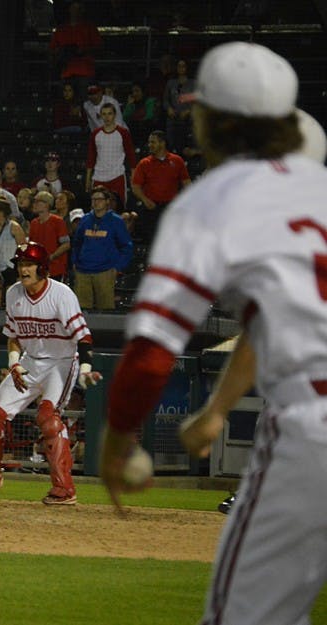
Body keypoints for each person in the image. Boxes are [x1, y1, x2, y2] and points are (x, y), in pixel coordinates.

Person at [100, 41, 327, 625]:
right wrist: (219, 410)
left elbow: (151, 354)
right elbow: (275, 318)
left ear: (214, 120)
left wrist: (117, 442)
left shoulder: (212, 202)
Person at [0, 242, 101, 504]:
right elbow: (13, 337)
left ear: (42, 268)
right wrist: (14, 362)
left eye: (28, 264)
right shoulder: (13, 293)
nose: (23, 269)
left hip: (61, 361)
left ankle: (65, 489)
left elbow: (83, 337)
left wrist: (85, 367)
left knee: (49, 418)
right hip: (30, 361)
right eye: (20, 264)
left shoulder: (61, 295)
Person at [70, 186, 133, 309]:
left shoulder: (116, 221)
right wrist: (75, 261)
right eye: (93, 199)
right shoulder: (85, 220)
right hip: (83, 271)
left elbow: (126, 246)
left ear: (107, 201)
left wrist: (117, 267)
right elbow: (77, 243)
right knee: (82, 310)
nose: (96, 202)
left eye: (99, 199)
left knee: (105, 309)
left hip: (105, 271)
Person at [129, 130, 191, 241]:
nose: (150, 145)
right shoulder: (144, 163)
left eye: (153, 142)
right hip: (151, 207)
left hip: (171, 207)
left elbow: (186, 183)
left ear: (162, 143)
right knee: (153, 240)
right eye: (149, 142)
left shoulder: (177, 161)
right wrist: (145, 200)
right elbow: (135, 186)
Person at [85, 102, 136, 206]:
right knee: (97, 209)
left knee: (118, 208)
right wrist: (88, 180)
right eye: (104, 114)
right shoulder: (95, 134)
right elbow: (91, 158)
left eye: (109, 113)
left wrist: (134, 177)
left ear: (114, 115)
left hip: (117, 176)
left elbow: (131, 156)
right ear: (101, 115)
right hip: (99, 177)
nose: (107, 117)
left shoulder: (123, 133)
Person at [48, 1, 102, 96]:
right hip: (66, 72)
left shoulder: (89, 27)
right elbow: (52, 49)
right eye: (74, 8)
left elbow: (98, 47)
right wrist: (61, 52)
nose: (76, 11)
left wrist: (83, 50)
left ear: (82, 10)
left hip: (85, 72)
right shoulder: (61, 29)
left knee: (84, 104)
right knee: (66, 104)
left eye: (78, 8)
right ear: (69, 10)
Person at [0, 199, 26, 305]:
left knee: (13, 304)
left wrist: (21, 273)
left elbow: (24, 250)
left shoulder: (15, 227)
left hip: (12, 269)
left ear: (1, 212)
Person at [27, 190, 71, 282]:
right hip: (38, 269)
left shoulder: (58, 222)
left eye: (37, 201)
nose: (34, 204)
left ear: (46, 205)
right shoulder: (34, 223)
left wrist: (52, 256)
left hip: (55, 269)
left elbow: (66, 244)